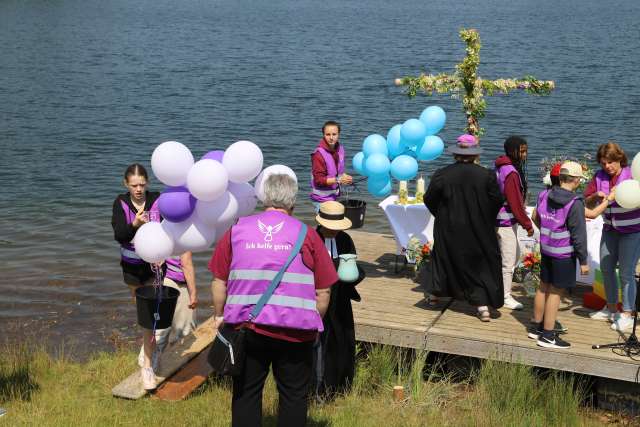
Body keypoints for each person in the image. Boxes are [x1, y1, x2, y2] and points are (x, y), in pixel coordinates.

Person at [209, 174, 338, 427]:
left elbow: (219, 281)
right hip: (296, 332)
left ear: (264, 198)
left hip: (247, 329)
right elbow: (324, 291)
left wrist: (218, 316)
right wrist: (314, 322)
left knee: (246, 393)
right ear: (293, 202)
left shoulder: (237, 230)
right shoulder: (308, 235)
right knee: (293, 395)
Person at [422, 135, 505, 322]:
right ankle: (482, 307)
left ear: (456, 154)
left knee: (444, 259)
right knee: (479, 264)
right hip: (478, 228)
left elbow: (429, 199)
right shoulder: (486, 175)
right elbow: (498, 200)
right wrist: (485, 218)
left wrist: (442, 215)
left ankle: (435, 295)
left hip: (449, 226)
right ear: (475, 155)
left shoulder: (442, 173)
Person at [529, 161, 589, 348]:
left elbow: (535, 218)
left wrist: (548, 232)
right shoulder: (575, 203)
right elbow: (578, 235)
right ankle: (548, 335)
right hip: (563, 255)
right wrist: (584, 261)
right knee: (555, 292)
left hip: (546, 249)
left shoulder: (543, 194)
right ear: (576, 180)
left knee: (543, 287)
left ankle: (536, 327)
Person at [584, 142, 640, 332]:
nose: (607, 166)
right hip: (609, 229)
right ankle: (610, 308)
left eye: (610, 162)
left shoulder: (631, 175)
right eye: (603, 163)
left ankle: (627, 313)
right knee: (606, 268)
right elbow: (587, 198)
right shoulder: (599, 177)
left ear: (619, 159)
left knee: (626, 273)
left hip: (632, 231)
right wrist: (594, 196)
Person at [312, 201, 364, 400]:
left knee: (342, 340)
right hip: (317, 299)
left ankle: (340, 385)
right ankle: (317, 385)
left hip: (340, 299)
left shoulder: (345, 239)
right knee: (319, 343)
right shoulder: (312, 239)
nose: (334, 232)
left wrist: (355, 275)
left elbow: (351, 266)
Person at [495, 136, 534, 310]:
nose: (524, 155)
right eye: (522, 151)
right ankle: (505, 296)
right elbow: (515, 203)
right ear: (513, 151)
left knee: (512, 255)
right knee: (509, 260)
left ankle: (499, 289)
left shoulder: (501, 166)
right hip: (505, 222)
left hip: (499, 219)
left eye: (526, 150)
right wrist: (527, 224)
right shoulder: (510, 172)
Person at [310, 121, 353, 211]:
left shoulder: (340, 149)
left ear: (339, 134)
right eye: (328, 134)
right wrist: (338, 180)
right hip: (321, 200)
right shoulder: (318, 155)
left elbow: (338, 172)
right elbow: (319, 180)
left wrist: (345, 178)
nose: (331, 138)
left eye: (334, 134)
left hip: (335, 197)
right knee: (328, 224)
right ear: (323, 135)